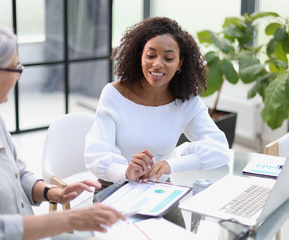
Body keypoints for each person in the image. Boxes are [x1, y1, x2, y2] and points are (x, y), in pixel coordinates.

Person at [0, 19, 125, 240]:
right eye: (15, 68)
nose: (19, 75)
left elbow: (17, 172)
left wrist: (53, 193)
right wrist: (68, 220)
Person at [84, 17, 230, 226]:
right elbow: (96, 154)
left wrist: (169, 165)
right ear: (139, 56)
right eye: (151, 55)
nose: (158, 64)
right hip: (114, 187)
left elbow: (219, 149)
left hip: (159, 190)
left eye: (169, 58)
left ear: (180, 63)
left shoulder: (186, 100)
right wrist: (126, 171)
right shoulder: (114, 94)